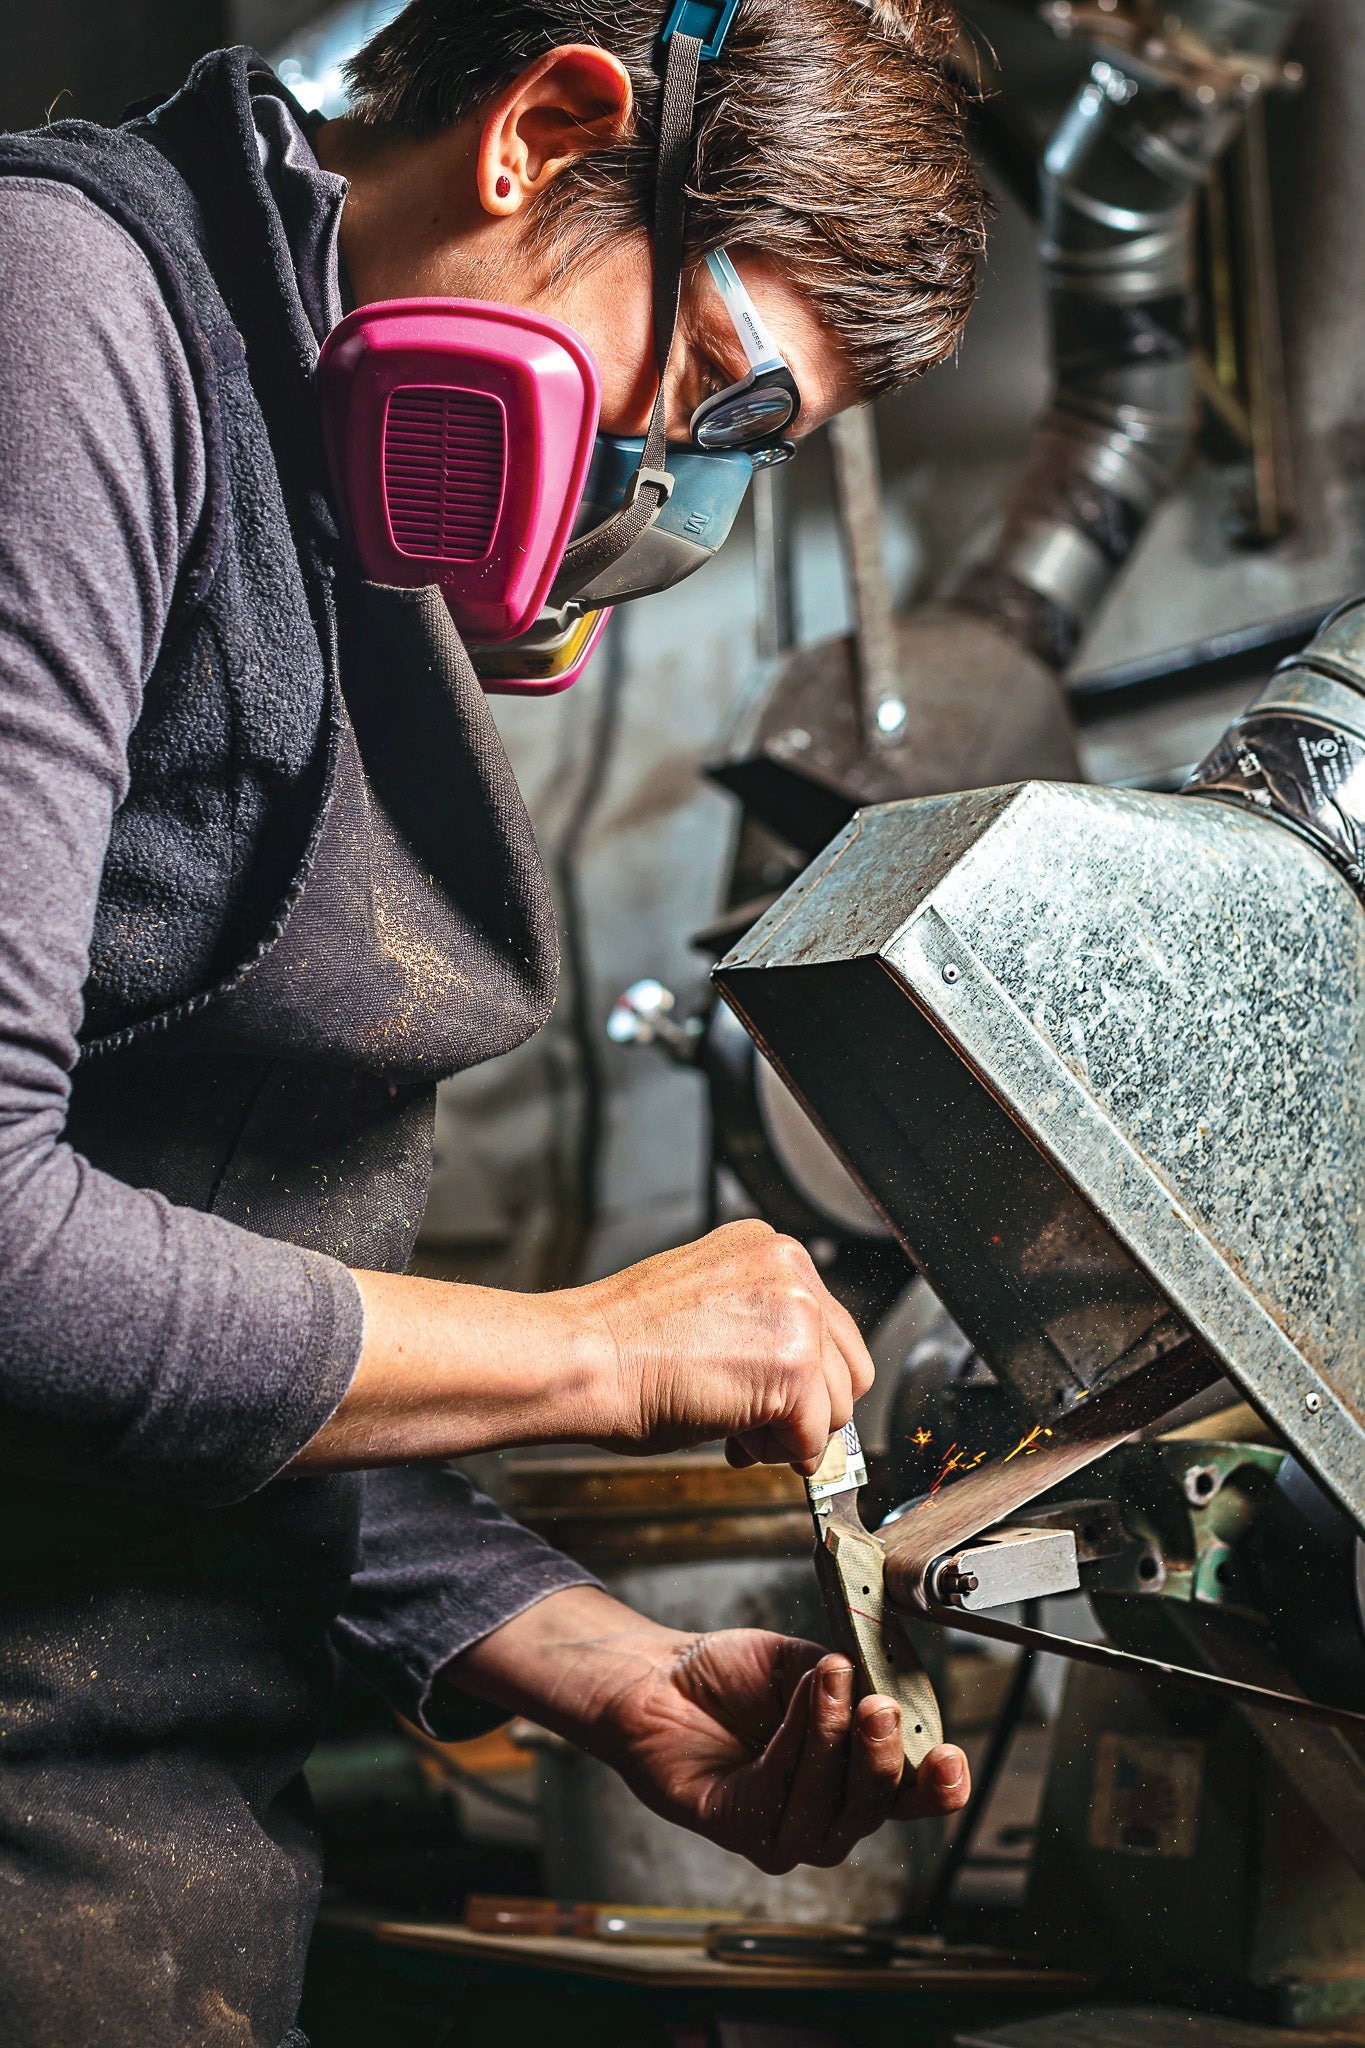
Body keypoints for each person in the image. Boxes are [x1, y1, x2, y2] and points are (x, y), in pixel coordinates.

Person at [0, 2, 985, 2041]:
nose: (660, 509)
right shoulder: (67, 320)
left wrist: (581, 1656)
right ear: (542, 129)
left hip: (147, 1851)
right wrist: (590, 1354)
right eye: (703, 404)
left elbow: (216, 1329)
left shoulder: (329, 497)